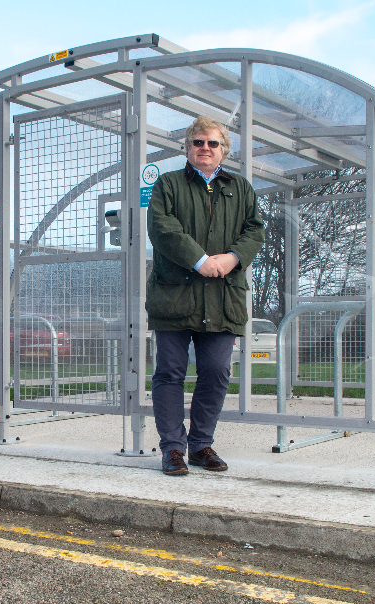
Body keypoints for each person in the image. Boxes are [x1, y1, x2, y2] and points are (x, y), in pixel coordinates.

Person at [146, 116, 265, 476]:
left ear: (224, 150)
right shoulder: (167, 185)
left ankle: (200, 445)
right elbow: (162, 228)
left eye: (213, 143)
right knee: (170, 373)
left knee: (215, 371)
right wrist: (200, 261)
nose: (205, 148)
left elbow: (254, 229)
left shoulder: (241, 188)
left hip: (222, 297)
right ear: (187, 147)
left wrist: (232, 258)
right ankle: (172, 449)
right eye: (198, 142)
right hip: (175, 296)